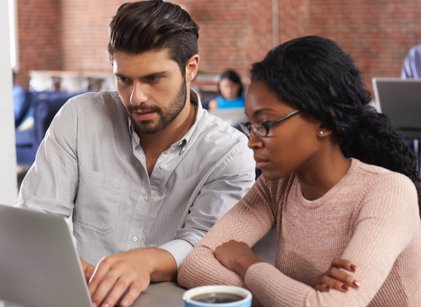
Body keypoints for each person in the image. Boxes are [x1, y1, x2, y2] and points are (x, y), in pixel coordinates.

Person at [17, 1, 255, 306]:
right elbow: (36, 218)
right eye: (124, 79)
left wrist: (149, 261)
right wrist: (56, 260)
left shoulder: (229, 154)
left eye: (153, 79)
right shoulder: (79, 118)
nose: (136, 98)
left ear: (190, 68)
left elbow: (208, 242)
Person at [178, 35, 421, 307]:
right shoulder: (277, 186)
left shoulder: (388, 192)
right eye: (251, 124)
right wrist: (296, 295)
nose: (252, 141)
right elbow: (195, 265)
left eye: (266, 124)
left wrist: (247, 264)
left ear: (324, 122)